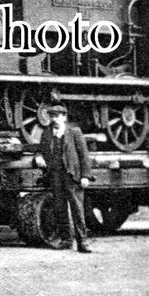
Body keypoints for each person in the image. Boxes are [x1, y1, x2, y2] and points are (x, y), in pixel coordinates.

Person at [35, 103, 93, 253]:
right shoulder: (47, 133)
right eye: (52, 116)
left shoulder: (74, 132)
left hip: (72, 176)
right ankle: (66, 240)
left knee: (77, 210)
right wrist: (39, 158)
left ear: (64, 117)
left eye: (57, 116)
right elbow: (42, 151)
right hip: (55, 176)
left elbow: (84, 156)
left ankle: (83, 242)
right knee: (60, 209)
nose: (54, 119)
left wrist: (85, 176)